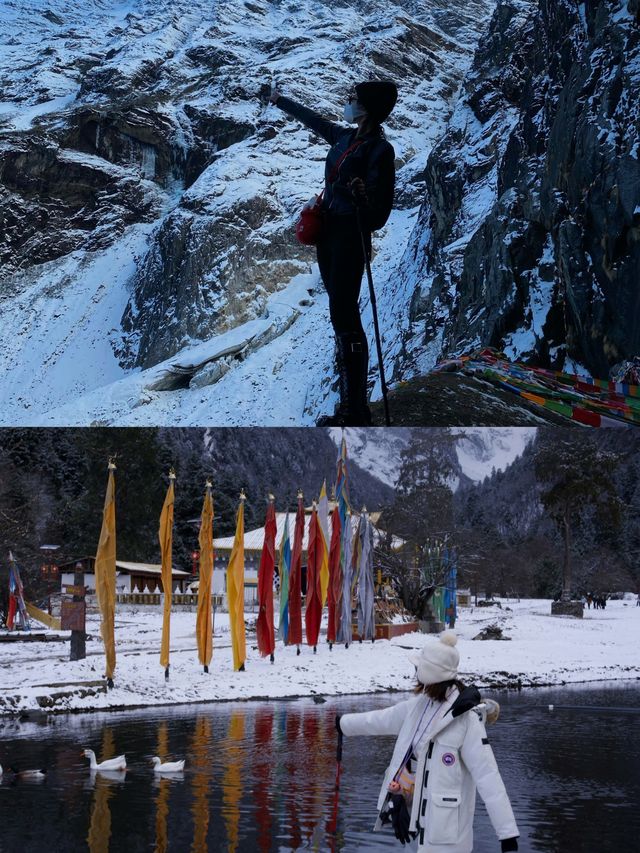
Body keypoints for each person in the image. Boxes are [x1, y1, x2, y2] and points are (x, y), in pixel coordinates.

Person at [268, 81, 397, 425]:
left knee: (346, 317)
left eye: (354, 99)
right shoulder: (346, 137)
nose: (349, 103)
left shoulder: (379, 151)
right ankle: (349, 407)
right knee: (340, 316)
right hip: (329, 234)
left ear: (368, 107)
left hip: (350, 236)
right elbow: (315, 121)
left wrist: (360, 196)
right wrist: (281, 101)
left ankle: (355, 410)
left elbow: (378, 215)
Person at [335, 631, 519, 852]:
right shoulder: (419, 706)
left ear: (429, 675)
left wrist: (507, 834)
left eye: (418, 670)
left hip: (446, 836)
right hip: (413, 824)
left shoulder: (466, 721)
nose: (415, 675)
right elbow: (380, 719)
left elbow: (488, 777)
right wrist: (343, 724)